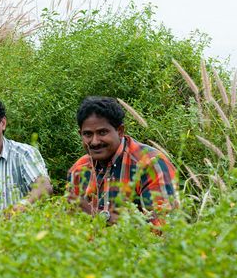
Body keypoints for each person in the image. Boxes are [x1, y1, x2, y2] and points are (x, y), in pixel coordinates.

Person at [67, 96, 179, 226]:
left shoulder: (150, 164)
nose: (95, 141)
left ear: (120, 131)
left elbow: (164, 228)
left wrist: (99, 216)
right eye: (88, 134)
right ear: (80, 134)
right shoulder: (79, 169)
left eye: (102, 132)